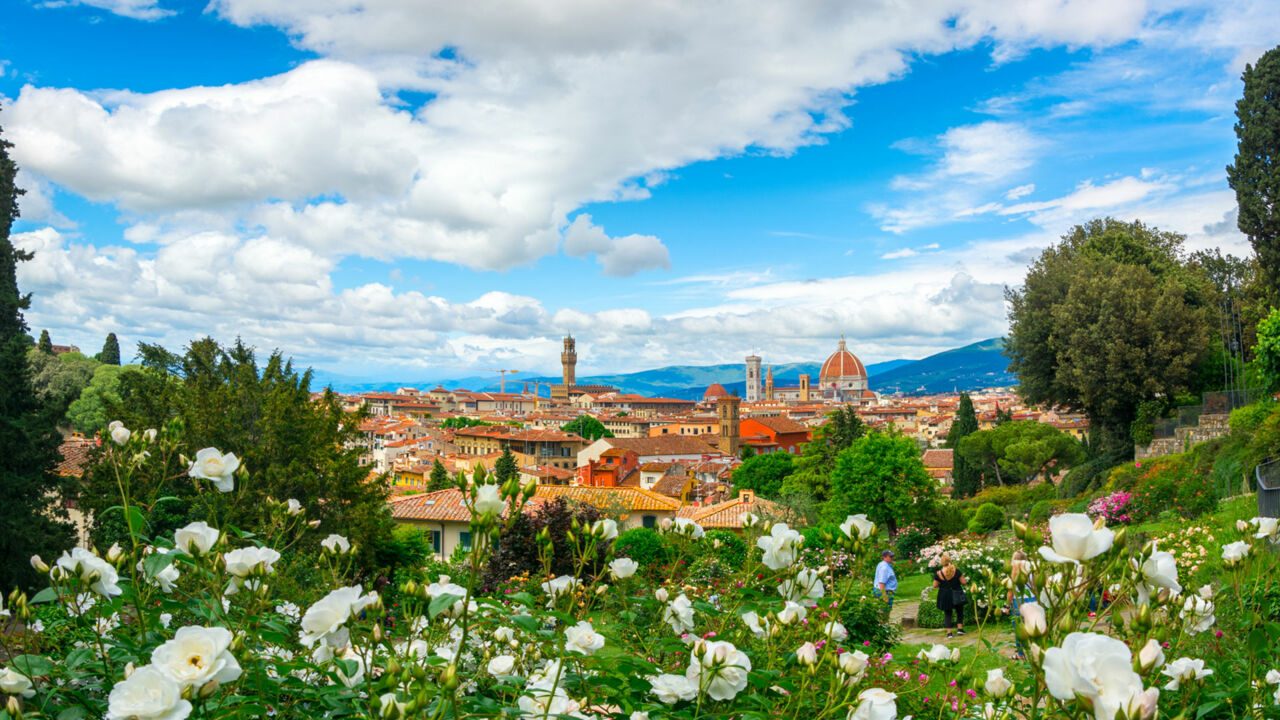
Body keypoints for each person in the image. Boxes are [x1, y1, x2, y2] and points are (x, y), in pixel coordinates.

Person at [1005, 550, 1036, 659]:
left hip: (1018, 601)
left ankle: (1021, 654)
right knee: (1032, 626)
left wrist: (1007, 606)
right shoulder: (1031, 570)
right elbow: (1035, 586)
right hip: (1032, 599)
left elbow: (1010, 591)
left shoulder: (1013, 571)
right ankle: (1034, 651)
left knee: (1019, 628)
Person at [931, 552, 968, 639]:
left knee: (947, 613)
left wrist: (943, 584)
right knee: (959, 611)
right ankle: (960, 629)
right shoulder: (956, 571)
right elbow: (964, 582)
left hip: (945, 594)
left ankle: (949, 633)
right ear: (950, 561)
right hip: (956, 593)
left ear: (942, 562)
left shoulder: (939, 573)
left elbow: (935, 585)